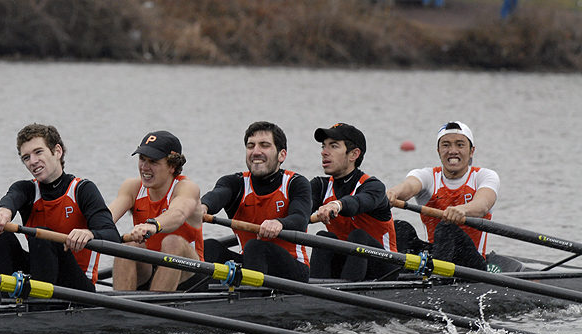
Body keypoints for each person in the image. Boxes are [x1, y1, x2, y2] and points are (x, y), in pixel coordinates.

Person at [0, 124, 120, 292]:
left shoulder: (82, 190)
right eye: (26, 157)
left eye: (38, 152)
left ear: (57, 151)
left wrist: (89, 233)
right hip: (42, 273)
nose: (33, 161)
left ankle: (38, 307)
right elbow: (11, 199)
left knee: (43, 236)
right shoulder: (26, 189)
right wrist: (3, 214)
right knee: (0, 237)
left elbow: (113, 236)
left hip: (77, 285)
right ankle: (5, 302)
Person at [201, 121, 312, 282]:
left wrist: (279, 223)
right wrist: (203, 207)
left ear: (282, 155)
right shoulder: (234, 183)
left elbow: (300, 219)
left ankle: (249, 300)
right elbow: (217, 195)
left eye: (264, 145)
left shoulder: (296, 183)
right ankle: (201, 298)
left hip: (293, 270)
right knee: (209, 246)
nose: (256, 152)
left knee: (255, 246)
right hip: (252, 264)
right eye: (250, 146)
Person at [386, 122, 498, 271]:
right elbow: (408, 187)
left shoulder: (484, 176)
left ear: (471, 151)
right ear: (438, 151)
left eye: (460, 145)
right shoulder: (427, 175)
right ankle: (396, 279)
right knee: (400, 228)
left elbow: (482, 205)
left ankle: (436, 280)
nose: (452, 151)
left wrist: (462, 210)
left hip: (471, 264)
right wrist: (393, 194)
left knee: (447, 228)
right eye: (446, 145)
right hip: (438, 254)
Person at [107, 131, 204, 291]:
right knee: (128, 245)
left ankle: (152, 309)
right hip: (150, 269)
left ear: (172, 166)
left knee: (172, 242)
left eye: (153, 161)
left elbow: (178, 213)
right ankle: (120, 311)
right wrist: (86, 231)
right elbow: (106, 218)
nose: (144, 167)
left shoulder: (186, 188)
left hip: (190, 274)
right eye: (142, 159)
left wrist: (153, 225)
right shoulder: (132, 187)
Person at [309, 123, 398, 281]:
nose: (324, 152)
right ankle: (313, 293)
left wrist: (337, 204)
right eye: (323, 146)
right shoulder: (320, 186)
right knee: (323, 237)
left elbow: (357, 203)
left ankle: (343, 296)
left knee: (358, 237)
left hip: (384, 269)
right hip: (346, 265)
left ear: (354, 154)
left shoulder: (373, 187)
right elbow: (297, 211)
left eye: (333, 146)